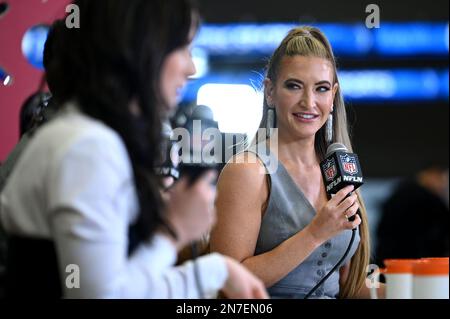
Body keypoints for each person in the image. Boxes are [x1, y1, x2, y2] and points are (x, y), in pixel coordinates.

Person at [0, 0, 267, 299]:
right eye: (183, 49)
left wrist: (218, 272)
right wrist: (174, 230)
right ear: (145, 50)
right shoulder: (88, 146)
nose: (191, 68)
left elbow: (125, 283)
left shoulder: (93, 137)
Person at [210, 26, 380, 299]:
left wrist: (416, 286)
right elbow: (226, 284)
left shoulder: (336, 169)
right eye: (294, 86)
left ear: (333, 96)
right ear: (269, 92)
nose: (309, 102)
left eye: (321, 89)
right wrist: (314, 234)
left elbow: (346, 283)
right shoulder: (247, 170)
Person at [375, 165, 449, 266]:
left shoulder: (398, 191)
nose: (442, 185)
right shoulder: (430, 198)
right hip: (415, 260)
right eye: (440, 179)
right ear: (429, 175)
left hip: (388, 256)